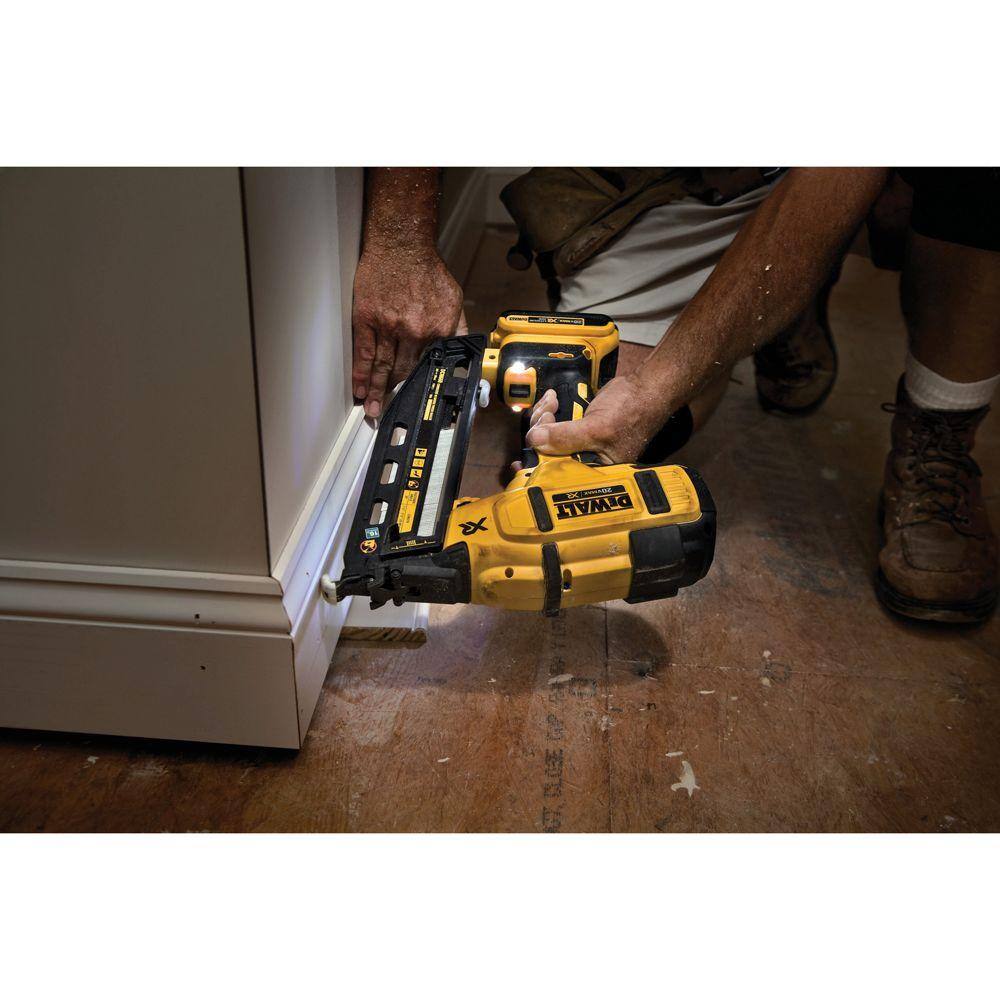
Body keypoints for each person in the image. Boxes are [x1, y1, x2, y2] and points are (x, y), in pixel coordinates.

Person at [352, 167, 999, 624]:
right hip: (668, 180)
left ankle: (938, 421)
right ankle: (774, 301)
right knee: (600, 392)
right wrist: (401, 241)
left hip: (825, 173)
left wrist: (653, 391)